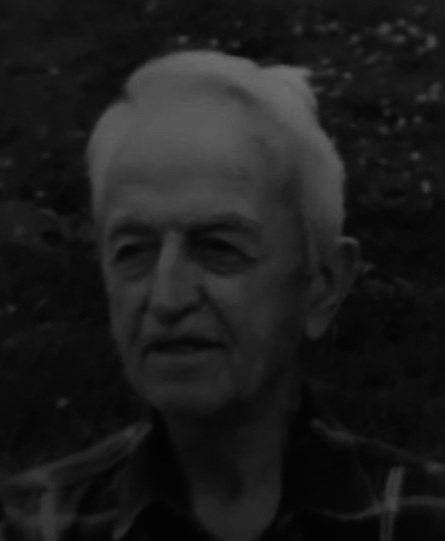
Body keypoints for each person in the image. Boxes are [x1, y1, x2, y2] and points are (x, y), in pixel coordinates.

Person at [2, 50, 445, 541]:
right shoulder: (31, 525)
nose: (167, 298)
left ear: (322, 285)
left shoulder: (422, 520)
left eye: (219, 248)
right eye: (134, 251)